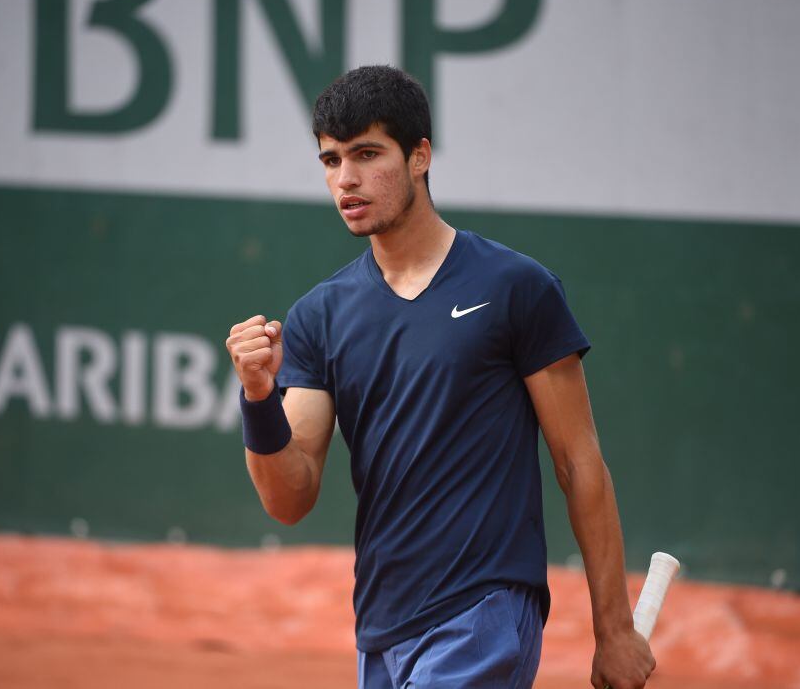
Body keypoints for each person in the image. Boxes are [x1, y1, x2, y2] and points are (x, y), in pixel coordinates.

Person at [225, 65, 655, 689]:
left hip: (484, 611)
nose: (346, 179)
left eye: (368, 155)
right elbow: (289, 498)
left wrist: (612, 629)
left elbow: (578, 462)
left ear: (420, 156)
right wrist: (259, 397)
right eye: (331, 160)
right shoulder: (319, 316)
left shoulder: (515, 288)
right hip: (381, 626)